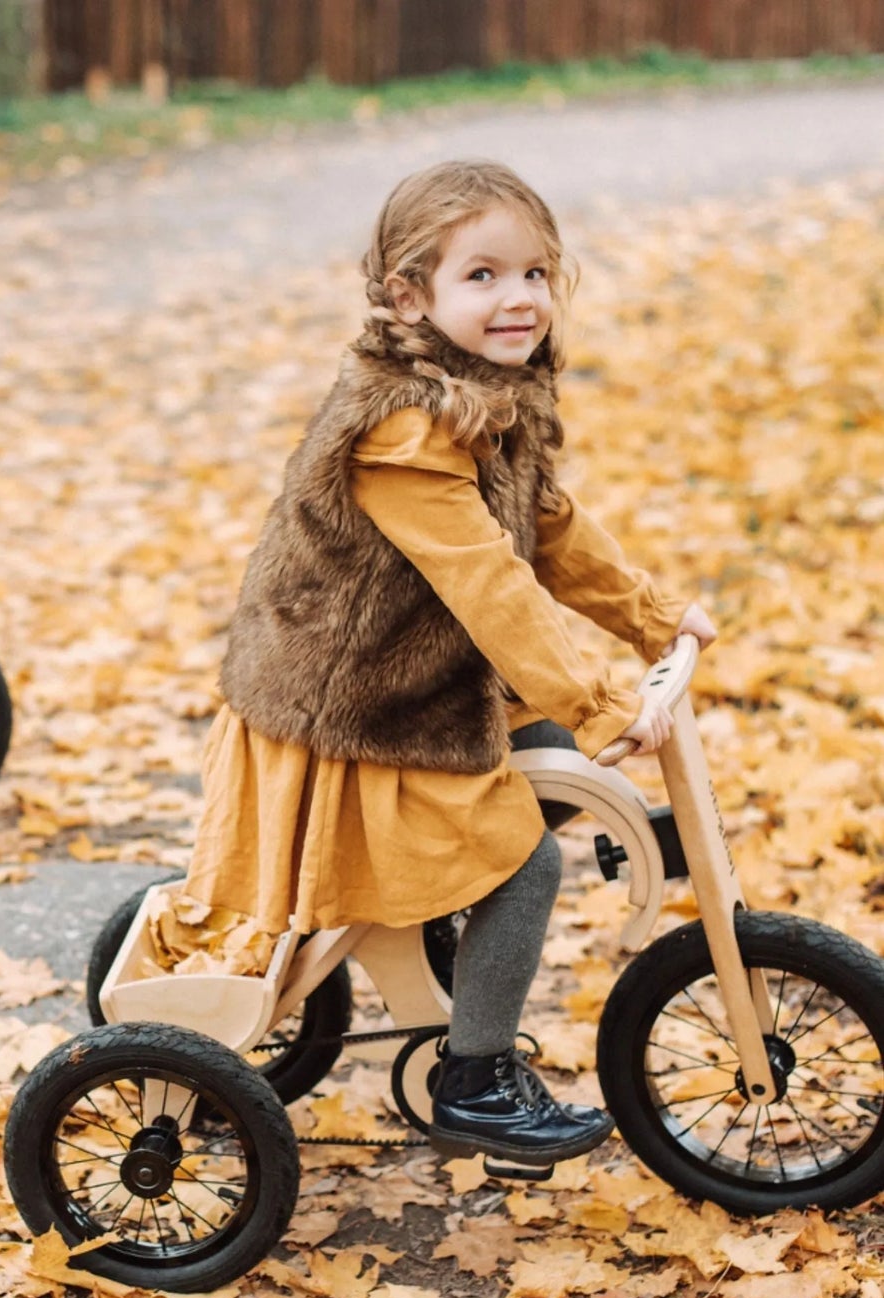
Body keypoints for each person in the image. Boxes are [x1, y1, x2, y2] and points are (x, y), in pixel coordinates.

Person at [184, 159, 717, 1168]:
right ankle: (473, 1078)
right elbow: (488, 583)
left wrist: (650, 616)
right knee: (525, 862)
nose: (515, 297)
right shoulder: (403, 430)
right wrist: (604, 699)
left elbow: (546, 527)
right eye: (480, 275)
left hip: (412, 683)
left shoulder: (482, 390)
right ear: (407, 296)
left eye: (532, 273)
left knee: (550, 754)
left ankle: (432, 928)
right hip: (353, 713)